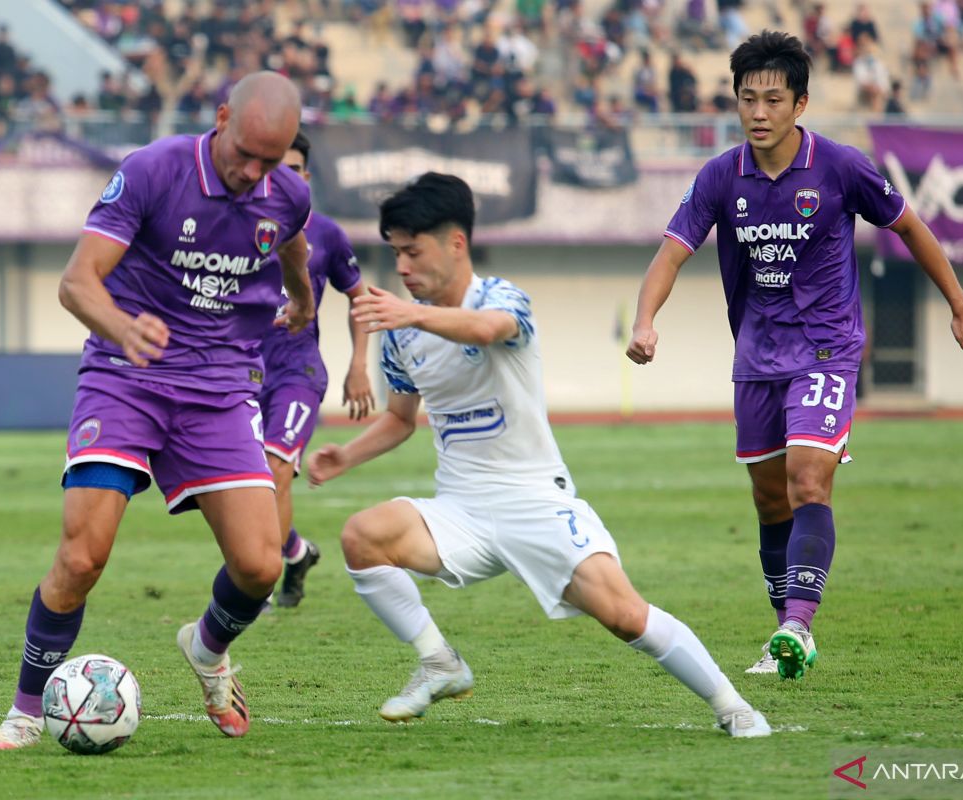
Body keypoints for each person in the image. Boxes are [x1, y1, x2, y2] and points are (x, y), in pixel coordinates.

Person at [306, 173, 771, 737]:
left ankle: (732, 706)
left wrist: (413, 314)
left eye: (412, 251)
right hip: (462, 510)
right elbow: (401, 419)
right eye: (396, 253)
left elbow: (490, 328)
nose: (401, 267)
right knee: (362, 536)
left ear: (456, 243)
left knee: (625, 615)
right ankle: (439, 661)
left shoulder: (500, 298)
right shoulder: (401, 334)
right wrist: (345, 458)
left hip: (535, 502)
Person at [625, 31, 963, 680]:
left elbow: (909, 225)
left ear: (800, 104)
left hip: (827, 350)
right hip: (757, 357)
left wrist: (961, 307)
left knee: (807, 478)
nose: (758, 113)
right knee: (770, 501)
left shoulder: (841, 167)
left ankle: (800, 621)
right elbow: (672, 249)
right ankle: (783, 637)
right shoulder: (720, 176)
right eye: (747, 99)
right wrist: (645, 319)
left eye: (772, 99)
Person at [0, 71, 316, 750]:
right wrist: (122, 329)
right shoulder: (153, 171)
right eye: (245, 153)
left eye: (270, 162)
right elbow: (77, 282)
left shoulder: (288, 196)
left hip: (217, 389)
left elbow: (293, 243)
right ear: (221, 118)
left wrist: (303, 300)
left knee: (260, 566)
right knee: (81, 560)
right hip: (124, 377)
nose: (254, 173)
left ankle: (208, 647)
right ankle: (23, 713)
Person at [260, 130, 374, 608]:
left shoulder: (325, 233)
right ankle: (295, 552)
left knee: (274, 470)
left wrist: (359, 365)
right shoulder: (232, 226)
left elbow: (359, 296)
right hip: (238, 376)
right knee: (241, 489)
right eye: (272, 170)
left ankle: (255, 583)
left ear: (305, 176)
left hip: (297, 374)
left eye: (291, 169)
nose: (281, 179)